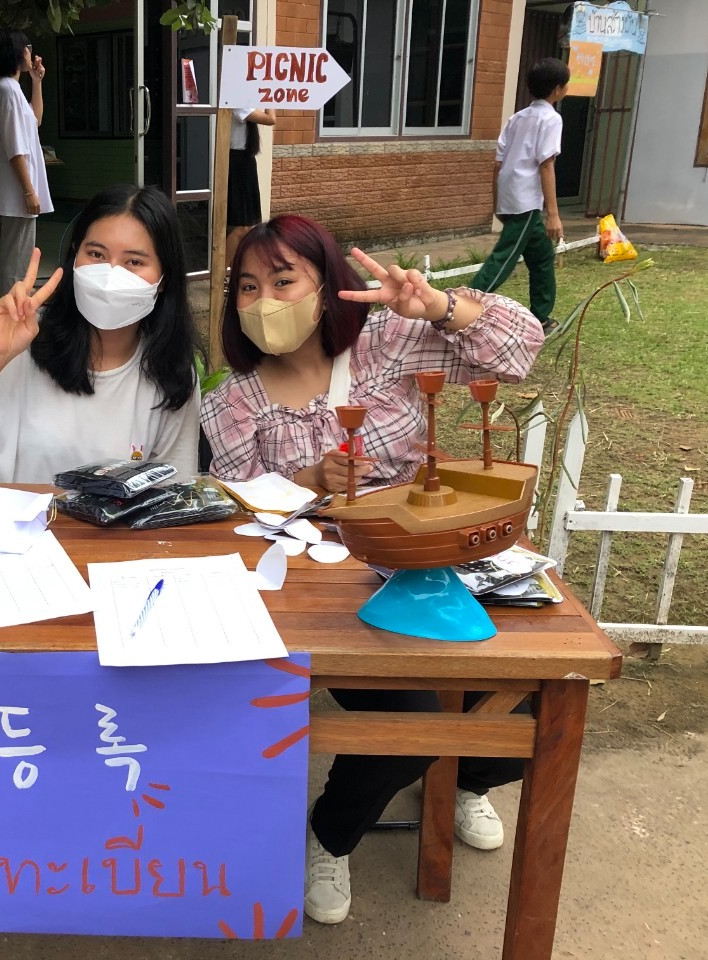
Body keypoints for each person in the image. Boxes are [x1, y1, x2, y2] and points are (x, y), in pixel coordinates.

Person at [201, 214, 544, 925]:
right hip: (327, 590)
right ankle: (331, 835)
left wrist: (440, 306)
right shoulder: (232, 402)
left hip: (435, 553)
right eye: (247, 287)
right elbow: (236, 513)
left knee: (528, 697)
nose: (264, 300)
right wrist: (308, 478)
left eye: (283, 280)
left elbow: (520, 350)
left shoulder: (388, 343)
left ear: (327, 285)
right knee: (409, 724)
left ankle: (468, 779)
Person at [0, 184, 200, 484]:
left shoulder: (169, 373)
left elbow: (172, 494)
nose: (110, 274)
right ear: (75, 256)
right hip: (2, 516)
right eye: (96, 254)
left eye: (134, 262)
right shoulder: (16, 341)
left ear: (164, 278)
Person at [470, 57, 571, 336]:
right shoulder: (551, 118)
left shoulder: (517, 118)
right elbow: (546, 165)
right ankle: (457, 307)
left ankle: (541, 318)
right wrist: (553, 215)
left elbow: (498, 164)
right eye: (565, 85)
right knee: (503, 259)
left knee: (542, 257)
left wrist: (497, 203)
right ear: (557, 89)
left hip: (511, 195)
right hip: (526, 201)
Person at [0, 28, 53, 297]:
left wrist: (37, 82)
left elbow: (36, 120)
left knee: (20, 254)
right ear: (15, 51)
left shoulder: (10, 88)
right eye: (27, 48)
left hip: (19, 185)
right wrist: (28, 191)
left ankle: (15, 307)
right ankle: (11, 310)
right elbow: (14, 147)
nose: (30, 53)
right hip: (17, 187)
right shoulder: (6, 89)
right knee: (16, 258)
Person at [225, 107, 276, 266]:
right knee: (241, 226)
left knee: (249, 226)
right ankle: (220, 272)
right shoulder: (238, 100)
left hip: (245, 160)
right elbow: (270, 119)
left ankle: (232, 271)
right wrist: (271, 99)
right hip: (236, 161)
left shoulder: (247, 101)